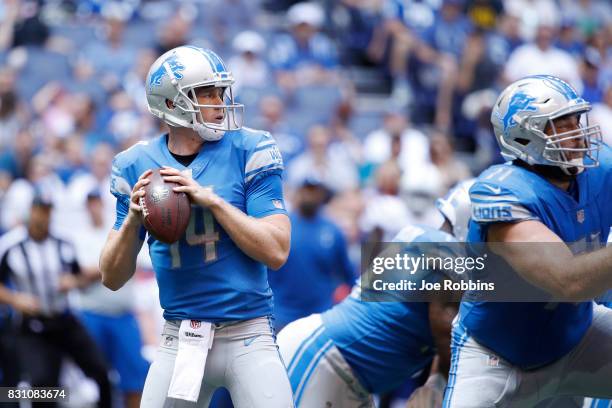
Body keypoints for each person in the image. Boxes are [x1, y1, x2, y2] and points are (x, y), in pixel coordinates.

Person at [99, 45, 294, 407]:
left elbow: (277, 250)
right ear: (171, 103)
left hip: (248, 335)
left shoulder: (250, 148)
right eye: (206, 92)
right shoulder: (135, 165)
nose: (219, 102)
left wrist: (213, 201)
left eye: (220, 91)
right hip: (181, 337)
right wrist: (132, 221)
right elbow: (111, 277)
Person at [444, 75, 612, 407]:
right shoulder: (502, 191)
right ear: (523, 136)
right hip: (497, 356)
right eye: (561, 125)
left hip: (575, 336)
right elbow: (568, 281)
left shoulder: (600, 167)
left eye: (576, 120)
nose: (578, 134)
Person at [276, 179, 473, 407]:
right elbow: (448, 333)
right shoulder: (447, 250)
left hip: (348, 374)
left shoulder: (427, 239)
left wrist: (435, 382)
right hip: (326, 359)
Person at [0, 192, 112, 407]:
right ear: (30, 212)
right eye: (40, 210)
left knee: (101, 371)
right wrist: (15, 299)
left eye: (48, 211)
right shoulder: (11, 244)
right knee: (42, 384)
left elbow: (80, 277)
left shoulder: (64, 242)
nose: (44, 216)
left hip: (64, 319)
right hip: (32, 325)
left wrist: (75, 281)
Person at [73, 189, 149, 408]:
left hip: (123, 315)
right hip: (92, 315)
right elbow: (83, 273)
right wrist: (115, 263)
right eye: (90, 203)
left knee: (135, 378)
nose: (94, 207)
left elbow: (138, 260)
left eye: (97, 202)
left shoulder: (117, 230)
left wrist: (113, 262)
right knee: (93, 380)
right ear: (85, 207)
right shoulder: (79, 236)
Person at [269, 176, 355, 331]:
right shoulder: (282, 226)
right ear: (298, 193)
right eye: (306, 190)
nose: (310, 195)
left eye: (314, 191)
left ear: (322, 195)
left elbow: (347, 273)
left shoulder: (332, 230)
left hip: (320, 318)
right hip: (282, 315)